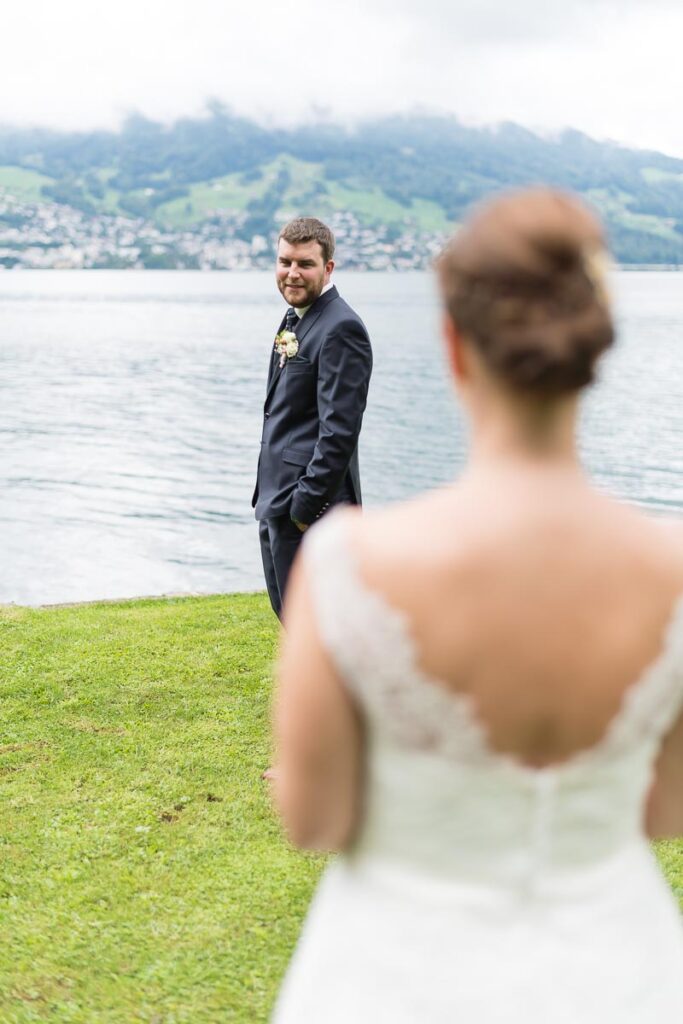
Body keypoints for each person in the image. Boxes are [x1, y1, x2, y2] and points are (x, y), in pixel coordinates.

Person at [269, 189, 683, 1022]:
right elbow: (664, 807)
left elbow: (313, 818)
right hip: (617, 970)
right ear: (591, 352)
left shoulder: (350, 564)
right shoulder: (669, 570)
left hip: (395, 974)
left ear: (454, 346)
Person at [252, 217, 373, 621]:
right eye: (284, 261)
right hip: (276, 501)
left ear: (329, 268)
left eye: (304, 263)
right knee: (294, 621)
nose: (292, 273)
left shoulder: (342, 328)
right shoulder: (294, 319)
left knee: (320, 631)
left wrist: (303, 509)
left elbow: (339, 432)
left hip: (308, 512)